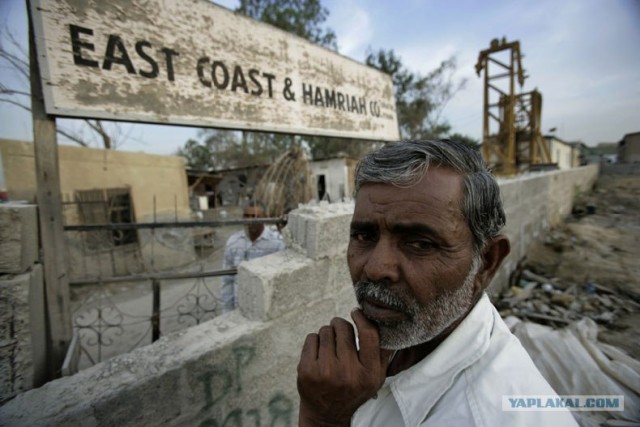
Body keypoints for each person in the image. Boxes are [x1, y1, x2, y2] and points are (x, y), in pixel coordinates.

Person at [296, 140, 577, 426]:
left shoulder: (491, 416)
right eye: (364, 236)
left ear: (486, 262)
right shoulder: (408, 332)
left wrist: (323, 419)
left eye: (419, 243)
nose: (376, 268)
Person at [221, 200, 285, 313]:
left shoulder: (277, 242)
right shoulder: (234, 242)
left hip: (266, 308)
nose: (250, 220)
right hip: (239, 307)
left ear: (265, 217)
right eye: (246, 216)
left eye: (255, 216)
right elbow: (227, 280)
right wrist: (227, 310)